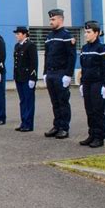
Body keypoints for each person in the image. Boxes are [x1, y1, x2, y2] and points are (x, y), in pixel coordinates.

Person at [43, 9, 77, 139]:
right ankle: (57, 125)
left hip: (61, 73)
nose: (51, 22)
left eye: (53, 19)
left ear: (60, 20)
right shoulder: (49, 36)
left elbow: (71, 57)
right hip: (51, 73)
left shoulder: (67, 36)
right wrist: (44, 72)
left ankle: (64, 128)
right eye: (50, 19)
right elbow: (47, 55)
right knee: (55, 102)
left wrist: (68, 75)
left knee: (63, 102)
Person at [79, 21, 105, 148]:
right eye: (85, 32)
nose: (86, 34)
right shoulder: (85, 48)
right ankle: (91, 134)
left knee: (98, 111)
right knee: (89, 111)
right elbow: (83, 67)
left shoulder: (102, 48)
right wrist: (81, 83)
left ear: (96, 33)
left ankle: (99, 137)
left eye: (88, 32)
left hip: (97, 84)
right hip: (87, 83)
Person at [13, 26, 38, 132]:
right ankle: (23, 122)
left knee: (28, 101)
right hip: (19, 77)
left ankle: (28, 124)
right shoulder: (17, 46)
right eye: (16, 34)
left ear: (24, 34)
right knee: (22, 101)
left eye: (18, 34)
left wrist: (33, 77)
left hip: (27, 77)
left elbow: (34, 62)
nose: (16, 36)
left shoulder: (30, 45)